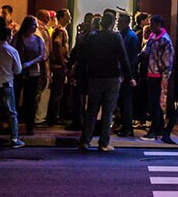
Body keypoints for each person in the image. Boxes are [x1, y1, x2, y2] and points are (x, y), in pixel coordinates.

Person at [78, 11, 135, 151]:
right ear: (112, 23)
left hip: (95, 77)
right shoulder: (116, 37)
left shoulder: (92, 37)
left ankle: (85, 141)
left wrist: (80, 77)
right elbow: (123, 57)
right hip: (112, 77)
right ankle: (103, 143)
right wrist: (129, 76)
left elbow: (84, 58)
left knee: (91, 111)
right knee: (108, 112)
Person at [142, 15, 173, 140]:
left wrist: (165, 77)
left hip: (158, 75)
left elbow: (168, 60)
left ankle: (155, 129)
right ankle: (159, 127)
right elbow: (147, 50)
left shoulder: (165, 40)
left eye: (152, 24)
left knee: (156, 102)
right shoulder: (152, 36)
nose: (150, 26)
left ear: (158, 24)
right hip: (151, 72)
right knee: (153, 102)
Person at [13, 16, 45, 136]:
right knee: (15, 98)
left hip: (33, 72)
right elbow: (12, 51)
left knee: (30, 100)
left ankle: (29, 126)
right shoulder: (18, 37)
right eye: (33, 25)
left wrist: (30, 63)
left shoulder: (38, 39)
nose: (36, 27)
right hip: (19, 71)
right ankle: (14, 125)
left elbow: (42, 55)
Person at [116, 12, 140, 137]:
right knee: (122, 102)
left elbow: (132, 58)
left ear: (126, 22)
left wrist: (128, 75)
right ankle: (124, 126)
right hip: (123, 73)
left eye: (119, 21)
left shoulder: (131, 37)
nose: (117, 24)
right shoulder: (123, 35)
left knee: (126, 102)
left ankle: (128, 128)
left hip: (128, 74)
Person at [46, 8, 70, 125]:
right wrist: (62, 62)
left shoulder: (59, 29)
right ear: (61, 17)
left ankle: (54, 115)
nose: (69, 17)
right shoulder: (61, 31)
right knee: (57, 91)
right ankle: (54, 117)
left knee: (57, 91)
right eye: (67, 15)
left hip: (57, 64)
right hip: (59, 65)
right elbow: (57, 44)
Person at [34, 9, 53, 125]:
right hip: (43, 62)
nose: (49, 19)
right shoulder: (41, 29)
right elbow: (45, 49)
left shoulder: (38, 29)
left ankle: (37, 116)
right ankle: (39, 117)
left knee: (40, 89)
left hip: (42, 62)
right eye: (47, 17)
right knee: (43, 89)